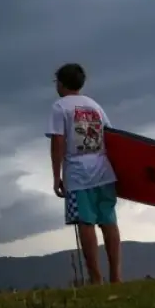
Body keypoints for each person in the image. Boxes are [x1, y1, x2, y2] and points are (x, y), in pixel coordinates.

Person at [45, 63, 121, 284]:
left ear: (60, 83)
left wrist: (56, 176)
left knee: (85, 222)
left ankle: (96, 278)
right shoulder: (95, 106)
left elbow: (58, 141)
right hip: (105, 172)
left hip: (79, 175)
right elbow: (111, 136)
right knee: (109, 222)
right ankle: (116, 276)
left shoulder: (60, 107)